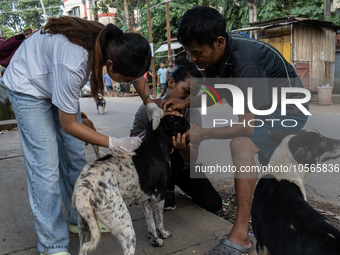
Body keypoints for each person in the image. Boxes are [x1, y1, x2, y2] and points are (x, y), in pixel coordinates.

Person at [3, 16, 163, 255]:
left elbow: (137, 73)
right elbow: (68, 124)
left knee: (75, 154)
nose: (130, 84)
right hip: (29, 86)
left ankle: (77, 219)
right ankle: (52, 244)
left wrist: (150, 102)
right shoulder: (75, 61)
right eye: (126, 80)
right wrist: (115, 143)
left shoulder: (115, 43)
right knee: (45, 165)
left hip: (54, 79)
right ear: (109, 64)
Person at [162, 6, 308, 255]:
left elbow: (246, 126)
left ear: (219, 42)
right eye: (189, 53)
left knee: (240, 143)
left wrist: (203, 132)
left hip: (289, 111)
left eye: (197, 53)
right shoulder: (216, 54)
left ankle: (241, 235)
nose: (194, 60)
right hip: (265, 103)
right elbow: (216, 92)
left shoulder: (245, 64)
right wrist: (186, 102)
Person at [131, 59, 222, 213]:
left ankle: (171, 185)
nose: (187, 100)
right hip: (154, 168)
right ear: (171, 82)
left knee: (214, 203)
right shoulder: (147, 108)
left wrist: (183, 147)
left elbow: (191, 158)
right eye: (186, 92)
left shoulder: (191, 112)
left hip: (184, 168)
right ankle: (166, 188)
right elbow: (132, 146)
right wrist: (156, 125)